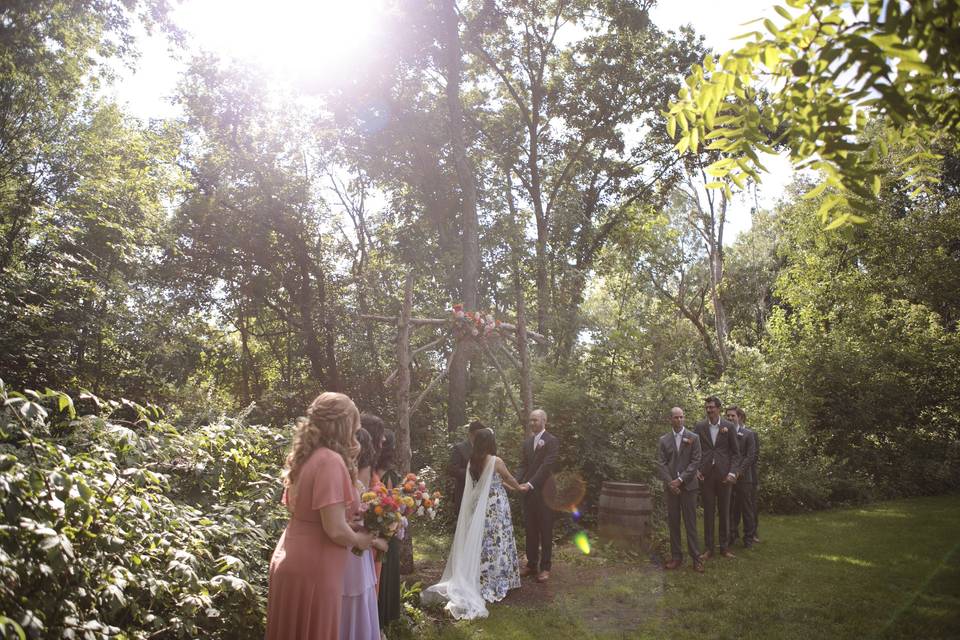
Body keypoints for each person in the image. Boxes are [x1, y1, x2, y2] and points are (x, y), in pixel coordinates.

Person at [266, 392, 377, 640]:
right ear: (343, 426)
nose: (356, 435)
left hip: (291, 555)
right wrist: (361, 541)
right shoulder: (329, 461)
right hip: (315, 567)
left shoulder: (308, 456)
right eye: (354, 428)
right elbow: (335, 529)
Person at [423, 426, 524, 620]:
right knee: (498, 540)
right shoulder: (496, 460)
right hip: (495, 505)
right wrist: (519, 487)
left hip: (480, 506)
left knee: (484, 541)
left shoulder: (473, 462)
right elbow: (508, 477)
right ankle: (497, 580)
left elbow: (486, 481)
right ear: (490, 442)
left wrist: (507, 486)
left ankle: (482, 577)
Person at [341, 428, 388, 640]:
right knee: (349, 597)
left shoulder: (363, 472)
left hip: (358, 543)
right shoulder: (348, 473)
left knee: (355, 597)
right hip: (349, 541)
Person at [656, 407, 704, 573]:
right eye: (676, 417)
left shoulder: (693, 437)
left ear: (684, 418)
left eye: (681, 417)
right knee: (673, 523)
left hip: (689, 487)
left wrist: (681, 480)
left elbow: (696, 461)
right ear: (670, 419)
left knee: (690, 523)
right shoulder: (664, 440)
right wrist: (671, 483)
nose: (679, 420)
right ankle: (676, 557)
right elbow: (661, 464)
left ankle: (696, 558)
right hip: (671, 489)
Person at [694, 396, 742, 560]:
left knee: (724, 511)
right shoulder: (700, 426)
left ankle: (724, 547)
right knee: (708, 512)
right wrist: (696, 470)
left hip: (724, 476)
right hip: (706, 475)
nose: (709, 410)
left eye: (712, 407)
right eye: (707, 407)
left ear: (718, 409)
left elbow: (736, 454)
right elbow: (694, 451)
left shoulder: (728, 426)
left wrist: (731, 473)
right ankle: (708, 548)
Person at [517, 409, 559, 583]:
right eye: (531, 421)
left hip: (544, 493)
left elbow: (546, 467)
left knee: (545, 529)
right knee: (530, 529)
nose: (532, 423)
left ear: (544, 420)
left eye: (535, 420)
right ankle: (531, 564)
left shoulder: (552, 441)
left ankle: (546, 567)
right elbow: (523, 465)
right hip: (528, 493)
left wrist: (530, 483)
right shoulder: (527, 443)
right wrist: (515, 482)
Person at [374, 430, 402, 631]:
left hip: (375, 531)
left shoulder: (370, 469)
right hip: (386, 533)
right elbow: (393, 506)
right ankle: (380, 623)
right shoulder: (389, 475)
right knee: (384, 577)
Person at [446, 420, 487, 520]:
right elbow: (452, 469)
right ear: (471, 434)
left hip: (481, 493)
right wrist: (471, 473)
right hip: (464, 492)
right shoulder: (460, 448)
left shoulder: (484, 449)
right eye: (478, 434)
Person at [738, 406, 761, 544]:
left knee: (750, 505)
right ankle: (733, 533)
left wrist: (742, 468)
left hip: (749, 475)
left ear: (741, 417)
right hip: (734, 474)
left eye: (735, 416)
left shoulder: (752, 434)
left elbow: (754, 456)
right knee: (734, 507)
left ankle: (753, 533)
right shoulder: (730, 432)